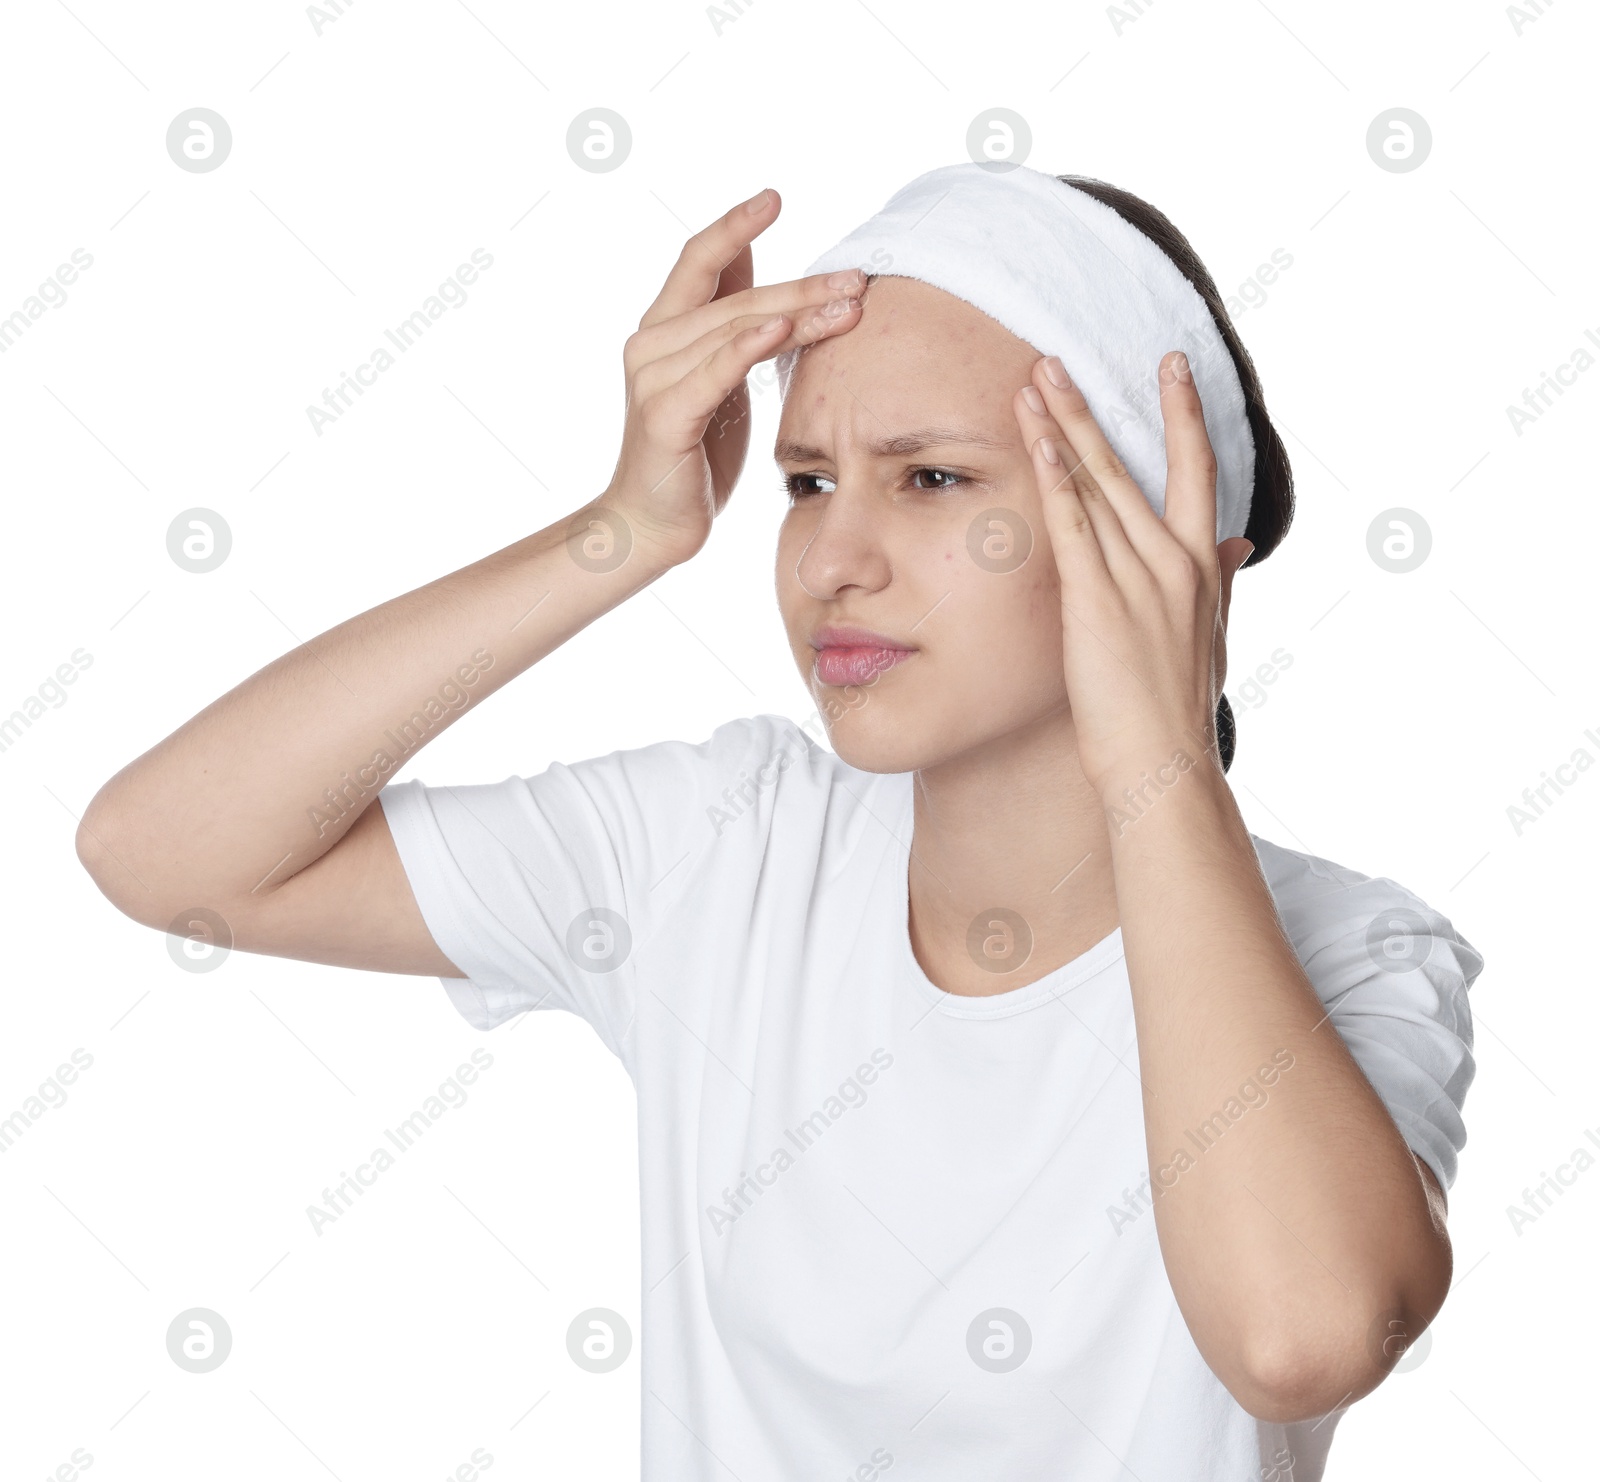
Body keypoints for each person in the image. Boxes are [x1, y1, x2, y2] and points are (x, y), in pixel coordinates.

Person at [76, 165, 1483, 1481]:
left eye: (933, 478)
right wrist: (620, 530)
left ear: (1167, 544)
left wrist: (1164, 757)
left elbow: (1299, 1338)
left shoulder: (1356, 953)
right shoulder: (726, 847)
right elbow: (165, 854)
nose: (833, 559)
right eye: (807, 483)